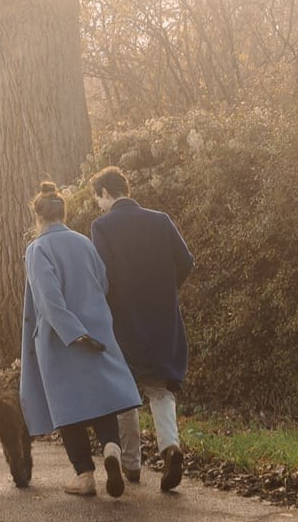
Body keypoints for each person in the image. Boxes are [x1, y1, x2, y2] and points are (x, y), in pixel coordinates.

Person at [19, 181, 141, 498]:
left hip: (62, 339)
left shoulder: (38, 249)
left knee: (67, 407)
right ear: (63, 212)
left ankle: (85, 475)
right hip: (98, 329)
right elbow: (102, 282)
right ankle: (112, 448)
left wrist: (73, 333)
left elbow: (48, 300)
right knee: (101, 398)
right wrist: (92, 321)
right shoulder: (84, 242)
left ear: (38, 216)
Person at [89, 164, 192, 492]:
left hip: (123, 319)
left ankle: (130, 464)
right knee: (160, 390)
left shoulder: (102, 226)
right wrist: (167, 289)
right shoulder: (160, 219)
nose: (99, 207)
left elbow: (103, 276)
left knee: (124, 393)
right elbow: (186, 261)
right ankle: (170, 448)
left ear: (106, 192)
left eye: (98, 200)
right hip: (162, 317)